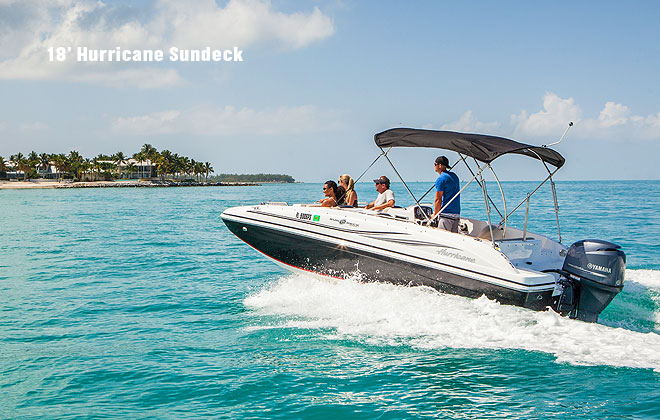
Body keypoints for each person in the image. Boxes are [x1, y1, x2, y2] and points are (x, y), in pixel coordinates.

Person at [432, 156, 460, 232]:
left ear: (440, 165)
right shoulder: (454, 176)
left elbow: (438, 199)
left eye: (435, 164)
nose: (434, 166)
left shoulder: (441, 179)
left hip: (446, 215)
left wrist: (435, 214)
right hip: (456, 214)